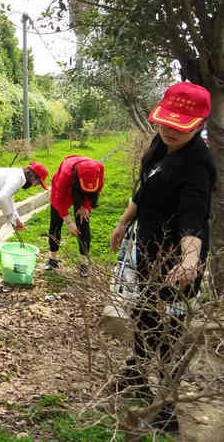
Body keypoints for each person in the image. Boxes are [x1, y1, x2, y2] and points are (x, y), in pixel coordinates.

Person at [110, 82, 215, 433]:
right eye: (166, 123)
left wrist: (189, 260)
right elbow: (146, 188)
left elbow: (194, 215)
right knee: (143, 315)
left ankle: (167, 406)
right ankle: (136, 377)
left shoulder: (197, 165)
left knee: (169, 330)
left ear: (199, 125)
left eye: (180, 126)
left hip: (175, 263)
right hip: (148, 249)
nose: (169, 131)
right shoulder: (162, 146)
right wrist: (124, 222)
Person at [0, 162, 49, 291]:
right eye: (38, 183)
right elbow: (3, 197)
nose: (34, 186)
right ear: (33, 177)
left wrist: (16, 220)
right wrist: (11, 218)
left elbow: (8, 198)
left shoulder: (16, 173)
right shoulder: (19, 178)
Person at [44, 155, 104, 277]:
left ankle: (84, 263)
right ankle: (53, 259)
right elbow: (58, 199)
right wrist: (69, 222)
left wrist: (86, 206)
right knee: (56, 222)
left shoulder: (99, 168)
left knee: (83, 222)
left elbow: (97, 190)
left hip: (83, 188)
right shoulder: (66, 173)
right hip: (63, 190)